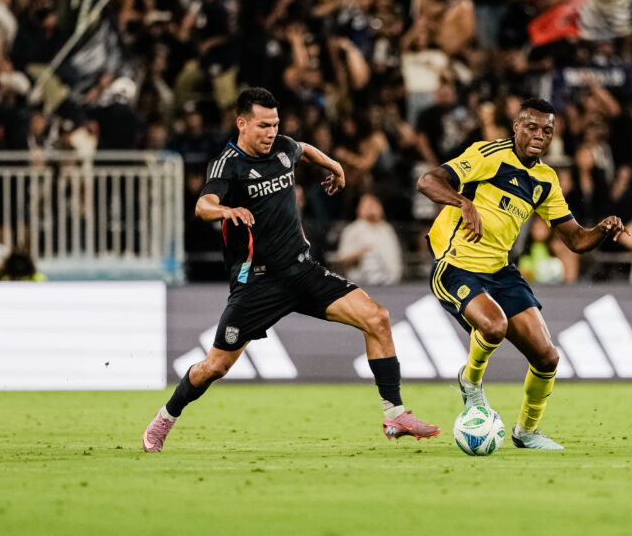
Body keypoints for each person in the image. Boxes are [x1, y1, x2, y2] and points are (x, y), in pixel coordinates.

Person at [142, 87, 438, 453]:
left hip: (303, 272)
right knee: (215, 367)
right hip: (258, 284)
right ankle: (165, 418)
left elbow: (304, 149)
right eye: (263, 125)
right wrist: (226, 211)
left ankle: (394, 415)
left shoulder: (283, 147)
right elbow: (204, 205)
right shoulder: (227, 164)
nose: (271, 133)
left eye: (275, 124)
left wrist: (334, 165)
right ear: (242, 124)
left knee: (377, 318)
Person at [416, 98, 630, 450]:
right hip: (456, 264)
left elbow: (576, 239)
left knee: (548, 358)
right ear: (516, 126)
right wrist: (463, 202)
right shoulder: (488, 155)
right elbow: (428, 181)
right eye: (532, 127)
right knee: (494, 326)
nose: (539, 135)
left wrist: (602, 230)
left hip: (500, 271)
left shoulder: (545, 179)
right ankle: (470, 383)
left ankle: (526, 432)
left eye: (547, 130)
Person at [333, 193, 403, 285]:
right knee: (369, 258)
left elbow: (395, 255)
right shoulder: (352, 230)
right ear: (360, 209)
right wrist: (360, 252)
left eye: (375, 205)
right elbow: (342, 257)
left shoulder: (387, 229)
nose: (372, 209)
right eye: (368, 206)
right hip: (361, 282)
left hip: (389, 281)